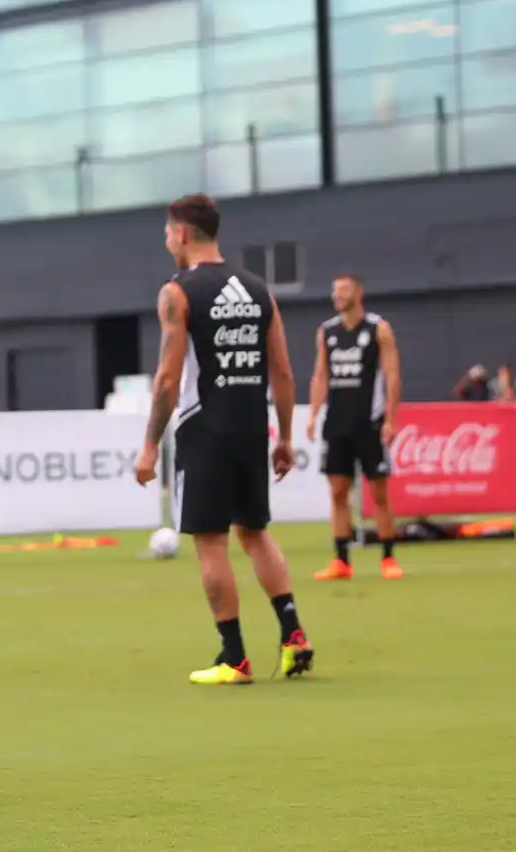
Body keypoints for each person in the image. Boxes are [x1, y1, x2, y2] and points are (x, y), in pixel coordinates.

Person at [134, 195, 314, 686]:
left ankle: (234, 657)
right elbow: (283, 370)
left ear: (183, 233)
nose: (167, 241)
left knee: (211, 542)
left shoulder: (178, 291)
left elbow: (168, 378)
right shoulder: (258, 290)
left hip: (204, 428)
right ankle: (293, 634)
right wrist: (284, 438)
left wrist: (150, 445)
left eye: (168, 233)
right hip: (252, 426)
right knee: (255, 532)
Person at [306, 275, 403, 581]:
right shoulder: (327, 331)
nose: (337, 295)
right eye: (334, 291)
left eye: (344, 290)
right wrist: (313, 414)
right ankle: (341, 560)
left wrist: (390, 419)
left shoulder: (378, 329)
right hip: (337, 423)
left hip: (369, 422)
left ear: (359, 293)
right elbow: (320, 375)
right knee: (338, 492)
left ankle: (388, 557)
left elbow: (392, 375)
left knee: (379, 493)